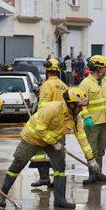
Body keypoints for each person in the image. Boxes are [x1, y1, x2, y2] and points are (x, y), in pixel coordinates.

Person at [0, 88, 100, 209]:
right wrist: (55, 143)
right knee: (17, 165)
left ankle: (60, 200)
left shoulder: (76, 118)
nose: (82, 109)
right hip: (32, 138)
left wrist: (91, 159)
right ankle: (1, 196)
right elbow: (40, 129)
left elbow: (82, 138)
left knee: (60, 166)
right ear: (71, 104)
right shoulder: (52, 109)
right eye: (79, 106)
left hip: (52, 140)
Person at [79, 55, 106, 185]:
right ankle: (92, 174)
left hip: (104, 121)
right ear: (96, 68)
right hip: (92, 123)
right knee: (91, 150)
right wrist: (86, 117)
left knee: (101, 149)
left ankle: (99, 173)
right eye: (103, 68)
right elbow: (81, 104)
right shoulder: (85, 84)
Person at [29, 58, 68, 189]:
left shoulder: (47, 85)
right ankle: (58, 180)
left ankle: (44, 178)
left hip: (47, 125)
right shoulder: (63, 85)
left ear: (47, 71)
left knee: (40, 151)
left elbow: (44, 107)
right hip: (60, 126)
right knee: (58, 155)